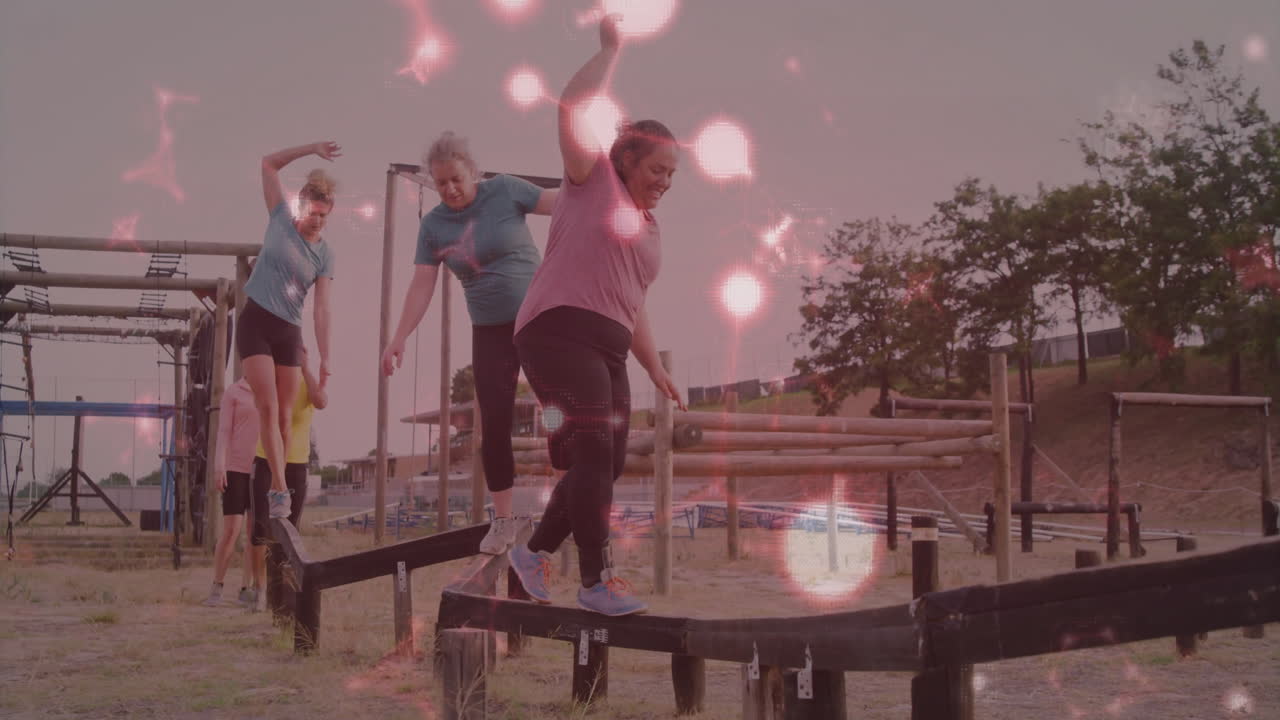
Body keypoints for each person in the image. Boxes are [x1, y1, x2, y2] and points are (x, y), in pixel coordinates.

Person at [507, 15, 685, 617]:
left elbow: (632, 302)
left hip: (607, 344)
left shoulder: (650, 230)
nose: (664, 182)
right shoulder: (592, 180)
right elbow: (571, 107)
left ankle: (533, 554)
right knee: (590, 450)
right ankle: (594, 581)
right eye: (656, 169)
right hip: (557, 328)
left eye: (672, 175)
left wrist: (656, 369)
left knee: (604, 459)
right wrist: (610, 49)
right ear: (627, 159)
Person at [382, 131, 557, 554]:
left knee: (556, 410)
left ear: (472, 172)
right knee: (493, 425)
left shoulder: (506, 191)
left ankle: (571, 493)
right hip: (490, 331)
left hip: (537, 321)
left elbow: (561, 204)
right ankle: (503, 518)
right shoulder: (434, 226)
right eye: (441, 183)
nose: (450, 189)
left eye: (456, 179)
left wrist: (600, 188)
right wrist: (399, 336)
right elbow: (421, 285)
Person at [239, 141, 339, 520]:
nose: (317, 222)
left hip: (288, 331)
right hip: (256, 323)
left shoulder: (325, 254)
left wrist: (326, 355)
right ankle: (278, 489)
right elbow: (267, 164)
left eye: (324, 217)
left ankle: (277, 485)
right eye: (313, 213)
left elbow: (323, 308)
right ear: (302, 205)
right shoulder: (280, 219)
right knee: (266, 406)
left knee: (284, 416)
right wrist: (311, 148)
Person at [249, 346, 327, 595]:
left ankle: (281, 589)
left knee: (290, 528)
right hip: (267, 460)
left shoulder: (307, 380)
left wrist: (305, 368)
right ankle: (259, 588)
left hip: (296, 463)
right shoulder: (272, 378)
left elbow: (321, 401)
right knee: (261, 527)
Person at [202, 376, 259, 608]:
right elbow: (224, 431)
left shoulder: (269, 388)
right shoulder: (234, 392)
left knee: (254, 532)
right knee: (231, 530)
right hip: (235, 470)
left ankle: (247, 588)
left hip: (260, 470)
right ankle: (217, 585)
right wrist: (219, 467)